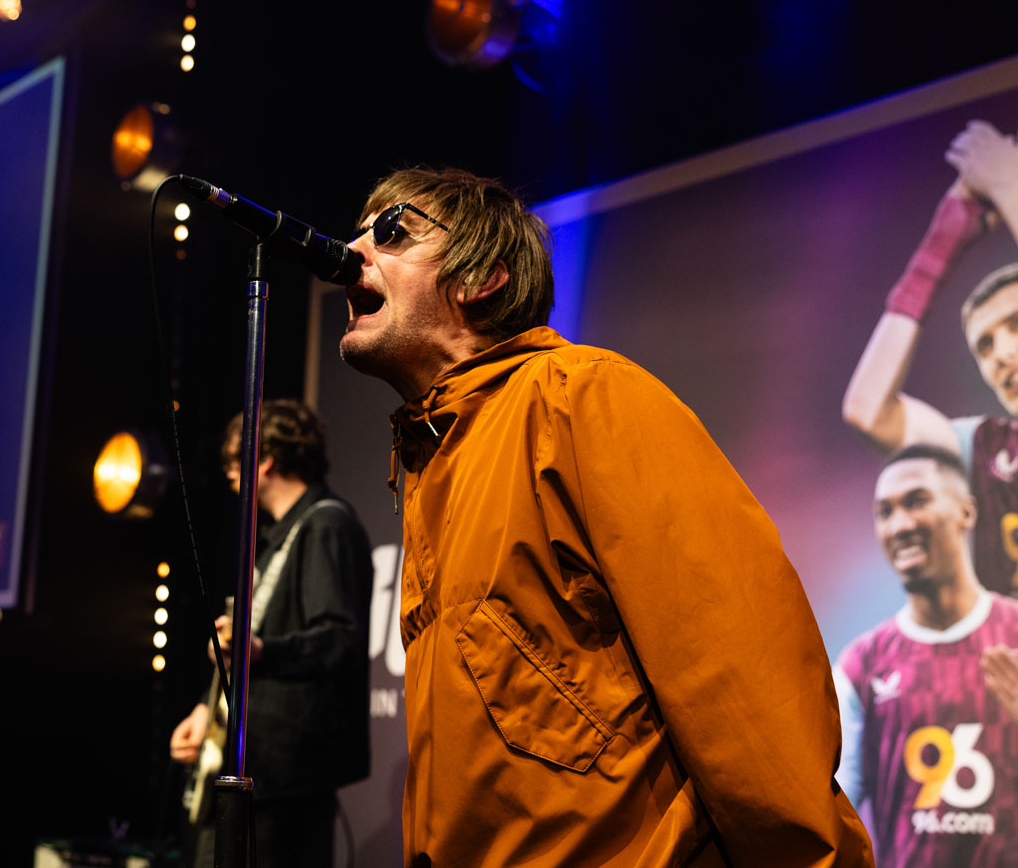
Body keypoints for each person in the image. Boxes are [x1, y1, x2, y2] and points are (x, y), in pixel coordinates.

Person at [337, 166, 872, 866]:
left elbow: (741, 675)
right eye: (359, 231)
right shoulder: (430, 461)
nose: (352, 250)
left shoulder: (579, 398)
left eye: (391, 231)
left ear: (481, 278)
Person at [168, 399, 373, 868]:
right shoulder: (276, 539)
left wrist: (261, 651)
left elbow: (340, 640)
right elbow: (247, 648)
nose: (227, 472)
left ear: (265, 460)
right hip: (254, 769)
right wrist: (206, 709)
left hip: (285, 779)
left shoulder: (327, 524)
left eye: (234, 460)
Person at [844, 119, 1018, 596]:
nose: (1002, 354)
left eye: (1015, 325)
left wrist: (1007, 183)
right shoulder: (987, 451)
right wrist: (942, 243)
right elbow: (868, 410)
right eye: (985, 345)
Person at [834, 444, 1018, 866]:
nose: (900, 525)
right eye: (885, 512)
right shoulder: (861, 665)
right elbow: (833, 814)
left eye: (916, 502)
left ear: (966, 512)